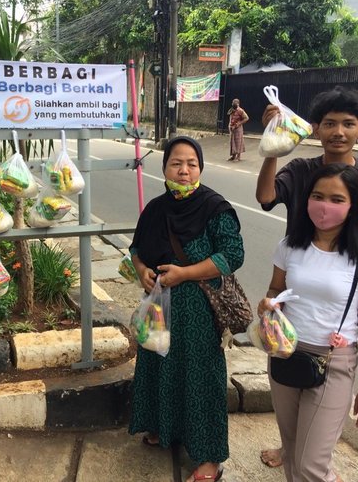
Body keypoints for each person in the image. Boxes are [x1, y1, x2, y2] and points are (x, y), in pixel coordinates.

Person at [255, 86, 358, 469]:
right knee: (294, 427)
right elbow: (266, 196)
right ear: (315, 129)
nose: (339, 131)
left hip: (347, 289)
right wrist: (273, 144)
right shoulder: (301, 170)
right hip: (300, 281)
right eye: (330, 123)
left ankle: (307, 458)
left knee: (313, 458)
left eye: (348, 124)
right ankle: (294, 452)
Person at [258, 163, 358, 482]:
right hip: (284, 352)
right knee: (293, 450)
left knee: (311, 465)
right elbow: (277, 288)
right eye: (317, 196)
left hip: (333, 363)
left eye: (336, 199)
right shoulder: (290, 245)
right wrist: (270, 303)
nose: (324, 205)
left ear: (353, 205)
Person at [128, 136, 245, 482]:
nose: (184, 170)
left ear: (201, 168)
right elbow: (137, 247)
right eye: (176, 163)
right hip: (158, 307)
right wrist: (141, 270)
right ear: (164, 167)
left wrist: (185, 274)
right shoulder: (155, 208)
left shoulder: (214, 208)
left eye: (191, 163)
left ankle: (210, 457)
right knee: (159, 365)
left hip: (197, 312)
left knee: (200, 377)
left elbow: (232, 255)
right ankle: (165, 429)